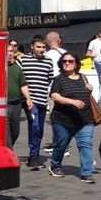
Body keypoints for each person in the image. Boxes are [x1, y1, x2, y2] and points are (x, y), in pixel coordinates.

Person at [48, 52, 96, 184]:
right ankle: (55, 165)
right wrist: (72, 102)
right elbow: (55, 96)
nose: (67, 63)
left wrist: (90, 89)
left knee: (85, 144)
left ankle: (86, 173)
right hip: (63, 120)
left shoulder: (83, 77)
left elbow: (85, 94)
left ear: (76, 64)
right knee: (61, 145)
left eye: (70, 61)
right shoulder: (59, 79)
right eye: (64, 61)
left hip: (85, 119)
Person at [18, 35, 55, 170]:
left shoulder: (48, 61)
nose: (41, 49)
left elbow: (50, 80)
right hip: (28, 100)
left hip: (42, 100)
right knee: (34, 126)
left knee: (39, 129)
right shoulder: (23, 60)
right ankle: (33, 157)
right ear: (32, 47)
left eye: (43, 47)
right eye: (38, 47)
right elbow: (18, 78)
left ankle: (34, 155)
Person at [7, 42, 33, 149]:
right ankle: (9, 152)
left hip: (16, 104)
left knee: (15, 132)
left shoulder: (17, 68)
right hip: (4, 104)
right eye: (7, 51)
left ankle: (8, 149)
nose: (9, 54)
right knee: (6, 131)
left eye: (11, 51)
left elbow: (23, 85)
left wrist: (28, 98)